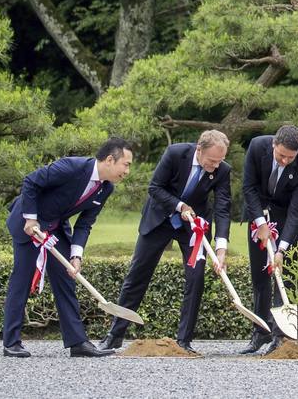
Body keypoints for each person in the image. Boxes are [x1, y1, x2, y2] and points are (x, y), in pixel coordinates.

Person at [98, 130, 232, 353]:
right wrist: (180, 206)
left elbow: (223, 207)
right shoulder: (175, 153)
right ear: (199, 150)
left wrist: (221, 247)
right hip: (161, 218)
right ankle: (115, 335)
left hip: (194, 227)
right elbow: (155, 188)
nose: (216, 166)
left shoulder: (222, 170)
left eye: (220, 161)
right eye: (211, 160)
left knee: (196, 278)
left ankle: (184, 341)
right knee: (137, 274)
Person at [1, 136, 135, 359]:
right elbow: (31, 182)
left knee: (66, 280)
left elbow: (85, 223)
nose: (127, 171)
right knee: (22, 280)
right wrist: (31, 219)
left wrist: (76, 255)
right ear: (110, 160)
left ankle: (78, 343)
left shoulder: (105, 189)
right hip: (28, 224)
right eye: (126, 164)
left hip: (55, 229)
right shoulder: (72, 167)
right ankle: (11, 343)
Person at [241, 124, 298, 355]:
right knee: (260, 276)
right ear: (274, 144)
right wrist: (260, 224)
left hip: (288, 219)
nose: (285, 161)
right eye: (281, 155)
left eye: (290, 158)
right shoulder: (256, 147)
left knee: (286, 276)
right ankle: (260, 331)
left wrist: (282, 249)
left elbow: (296, 211)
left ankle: (280, 334)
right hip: (259, 213)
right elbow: (249, 187)